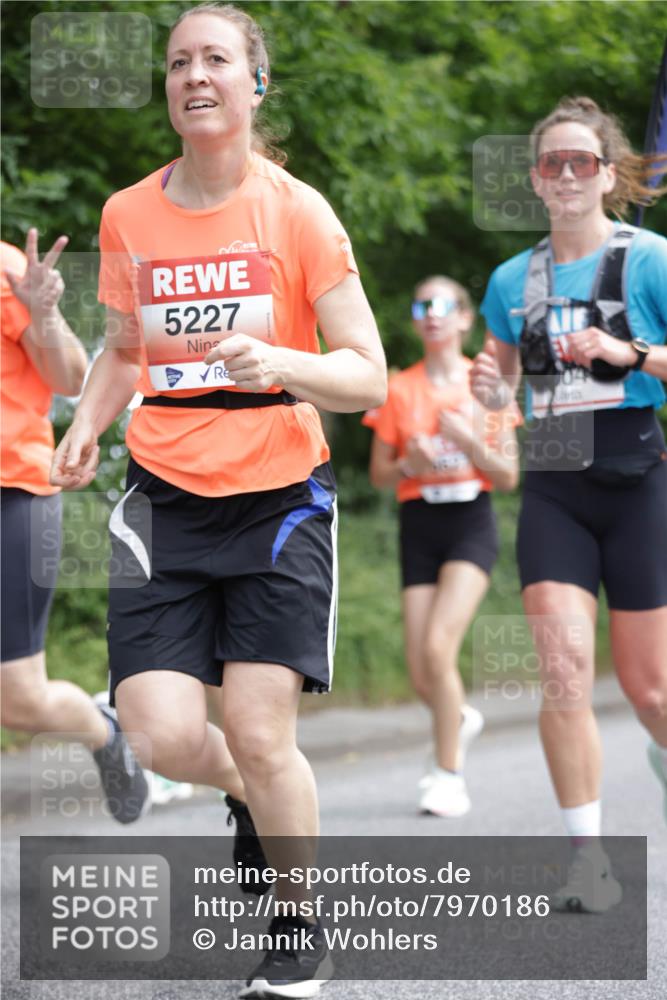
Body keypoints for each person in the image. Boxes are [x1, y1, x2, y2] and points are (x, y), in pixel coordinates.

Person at [50, 4, 386, 996]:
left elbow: (367, 377)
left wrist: (276, 357)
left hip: (277, 499)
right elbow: (121, 350)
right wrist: (84, 424)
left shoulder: (298, 212)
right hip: (161, 494)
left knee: (259, 728)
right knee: (152, 730)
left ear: (255, 82)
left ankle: (297, 928)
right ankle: (247, 796)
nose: (195, 75)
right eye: (178, 62)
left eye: (216, 60)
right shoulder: (128, 214)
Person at [471, 96, 667, 912]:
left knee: (648, 687)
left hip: (635, 477)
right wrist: (488, 391)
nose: (564, 175)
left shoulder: (649, 260)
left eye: (580, 161)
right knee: (561, 676)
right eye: (550, 163)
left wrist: (633, 353)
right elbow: (495, 380)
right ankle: (588, 859)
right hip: (552, 485)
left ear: (607, 173)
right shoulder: (511, 280)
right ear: (535, 180)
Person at [1, 231, 148, 824]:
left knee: (19, 699)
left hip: (12, 491)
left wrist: (43, 312)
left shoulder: (9, 269)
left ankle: (103, 731)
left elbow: (67, 377)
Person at [363, 275, 519, 817]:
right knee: (419, 668)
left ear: (463, 318)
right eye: (421, 304)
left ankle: (448, 774)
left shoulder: (488, 384)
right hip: (419, 524)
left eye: (442, 304)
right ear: (415, 320)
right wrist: (412, 463)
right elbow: (380, 473)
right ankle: (457, 719)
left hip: (470, 523)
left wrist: (471, 442)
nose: (431, 313)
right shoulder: (399, 387)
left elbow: (508, 476)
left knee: (438, 649)